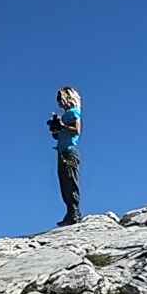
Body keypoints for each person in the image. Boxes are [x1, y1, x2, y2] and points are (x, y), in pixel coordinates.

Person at [48, 86, 83, 225]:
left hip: (69, 152)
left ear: (69, 98)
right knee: (64, 183)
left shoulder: (75, 112)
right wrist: (55, 129)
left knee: (70, 181)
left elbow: (77, 130)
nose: (60, 104)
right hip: (62, 151)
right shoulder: (65, 115)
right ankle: (70, 212)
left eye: (61, 100)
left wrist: (62, 125)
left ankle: (74, 213)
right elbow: (58, 136)